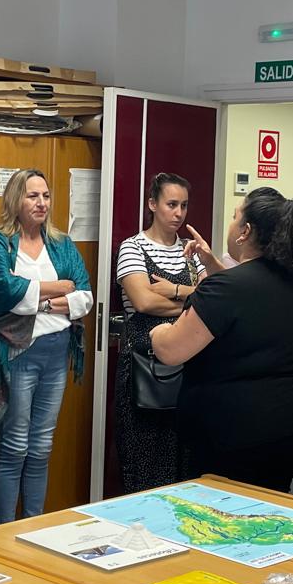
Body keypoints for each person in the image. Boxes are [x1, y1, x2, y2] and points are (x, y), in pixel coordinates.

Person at [149, 187, 293, 493]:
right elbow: (248, 297)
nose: (230, 224)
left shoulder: (229, 288)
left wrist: (158, 331)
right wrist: (213, 264)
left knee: (220, 523)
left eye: (234, 217)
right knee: (266, 515)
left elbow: (171, 350)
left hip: (233, 430)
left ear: (245, 232)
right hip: (287, 424)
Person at [0, 169, 92, 522]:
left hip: (57, 350)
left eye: (45, 196)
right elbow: (3, 290)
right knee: (14, 446)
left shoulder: (60, 242)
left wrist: (39, 295)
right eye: (32, 196)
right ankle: (3, 531)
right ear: (16, 199)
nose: (41, 202)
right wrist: (58, 288)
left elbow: (85, 295)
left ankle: (33, 524)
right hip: (17, 352)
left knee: (42, 447)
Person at [112, 173, 204, 494]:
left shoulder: (191, 252)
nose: (178, 213)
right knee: (144, 460)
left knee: (183, 466)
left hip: (186, 371)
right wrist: (190, 301)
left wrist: (174, 289)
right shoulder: (132, 247)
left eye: (184, 206)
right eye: (171, 204)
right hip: (143, 369)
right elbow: (144, 301)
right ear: (152, 204)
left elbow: (212, 300)